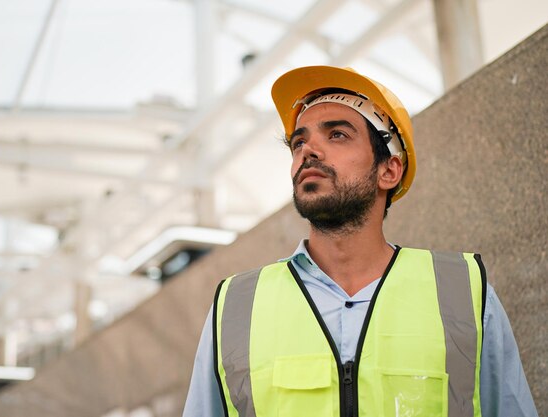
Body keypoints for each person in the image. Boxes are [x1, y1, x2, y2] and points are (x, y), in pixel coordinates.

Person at [183, 66, 537, 417]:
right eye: (298, 142)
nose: (309, 151)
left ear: (389, 170)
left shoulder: (464, 291)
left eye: (337, 134)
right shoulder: (235, 307)